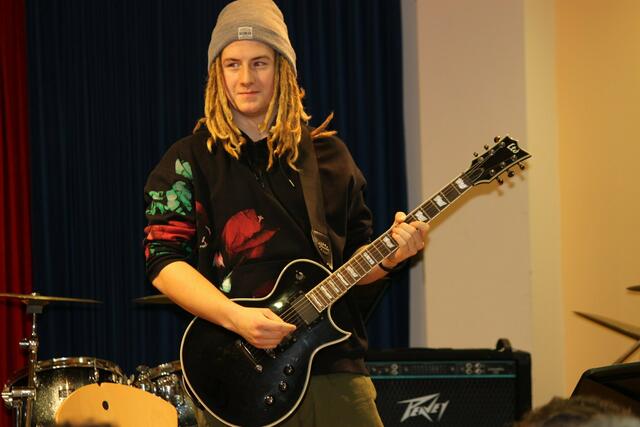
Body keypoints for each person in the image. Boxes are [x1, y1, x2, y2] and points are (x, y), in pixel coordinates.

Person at [143, 0, 428, 425]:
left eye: (259, 63)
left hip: (334, 369)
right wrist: (236, 318)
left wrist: (391, 257)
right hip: (236, 380)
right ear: (217, 75)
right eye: (233, 64)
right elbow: (164, 263)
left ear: (284, 70)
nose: (246, 78)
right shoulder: (187, 160)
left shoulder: (329, 157)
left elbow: (355, 261)